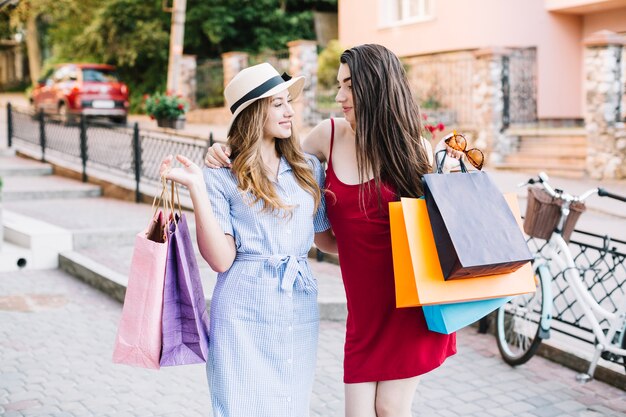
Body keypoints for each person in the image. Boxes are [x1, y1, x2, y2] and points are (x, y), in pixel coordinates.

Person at [205, 44, 461, 417]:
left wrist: (447, 180)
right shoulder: (327, 136)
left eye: (350, 86)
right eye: (339, 85)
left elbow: (436, 228)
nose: (339, 96)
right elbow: (274, 159)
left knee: (390, 408)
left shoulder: (414, 150)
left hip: (410, 302)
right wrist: (225, 150)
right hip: (364, 311)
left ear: (376, 87)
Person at [160, 62, 337, 417]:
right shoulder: (223, 173)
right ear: (255, 112)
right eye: (278, 103)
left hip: (297, 303)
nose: (290, 111)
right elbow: (221, 260)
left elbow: (327, 240)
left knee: (291, 406)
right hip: (243, 309)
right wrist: (196, 186)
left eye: (289, 102)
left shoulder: (308, 168)